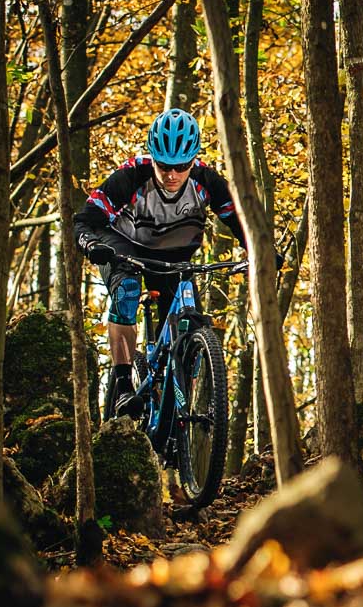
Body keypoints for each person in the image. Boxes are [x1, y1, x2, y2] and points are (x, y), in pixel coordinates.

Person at [73, 108, 245, 414]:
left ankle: (177, 404)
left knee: (189, 320)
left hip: (175, 256)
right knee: (127, 291)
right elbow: (85, 220)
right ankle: (123, 386)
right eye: (164, 166)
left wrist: (262, 252)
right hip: (125, 247)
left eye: (181, 166)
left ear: (194, 160)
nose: (172, 175)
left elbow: (241, 223)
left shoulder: (207, 181)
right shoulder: (131, 176)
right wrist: (91, 244)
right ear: (152, 158)